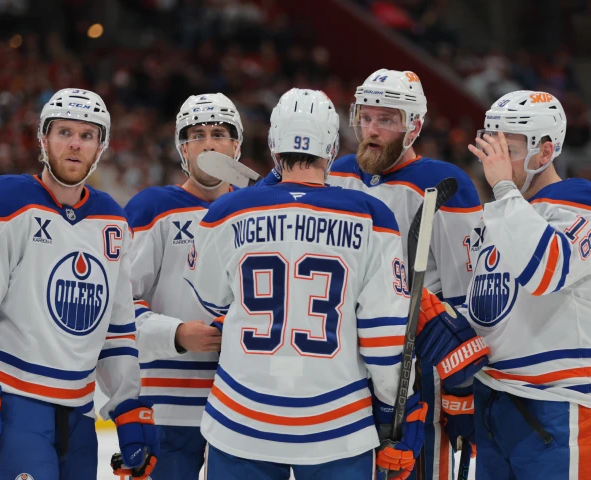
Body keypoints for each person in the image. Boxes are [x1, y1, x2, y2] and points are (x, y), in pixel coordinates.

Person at [184, 87, 432, 480]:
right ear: (332, 147)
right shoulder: (372, 216)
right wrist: (394, 410)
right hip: (339, 425)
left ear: (272, 144)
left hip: (240, 420)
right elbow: (384, 335)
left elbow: (210, 300)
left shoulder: (225, 212)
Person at [259, 70, 486, 479]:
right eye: (365, 118)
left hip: (416, 365)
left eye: (386, 120)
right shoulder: (335, 171)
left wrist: (461, 389)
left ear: (414, 126)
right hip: (342, 365)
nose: (372, 130)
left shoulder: (445, 184)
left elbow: (465, 295)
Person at [0, 88, 158, 480]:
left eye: (87, 135)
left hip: (80, 416)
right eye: (64, 132)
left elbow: (117, 329)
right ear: (43, 139)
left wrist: (127, 404)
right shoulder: (1, 202)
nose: (75, 144)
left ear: (101, 146)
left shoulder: (112, 221)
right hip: (14, 408)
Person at [466, 90, 591, 479]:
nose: (496, 160)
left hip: (555, 405)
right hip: (493, 401)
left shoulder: (578, 200)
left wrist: (504, 190)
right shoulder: (500, 214)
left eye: (510, 149)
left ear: (545, 152)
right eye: (493, 146)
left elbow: (545, 274)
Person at [125, 93, 243, 480]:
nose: (208, 144)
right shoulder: (152, 208)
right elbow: (117, 304)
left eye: (219, 134)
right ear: (183, 148)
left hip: (242, 402)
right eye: (197, 135)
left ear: (236, 146)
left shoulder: (257, 213)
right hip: (166, 404)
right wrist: (174, 334)